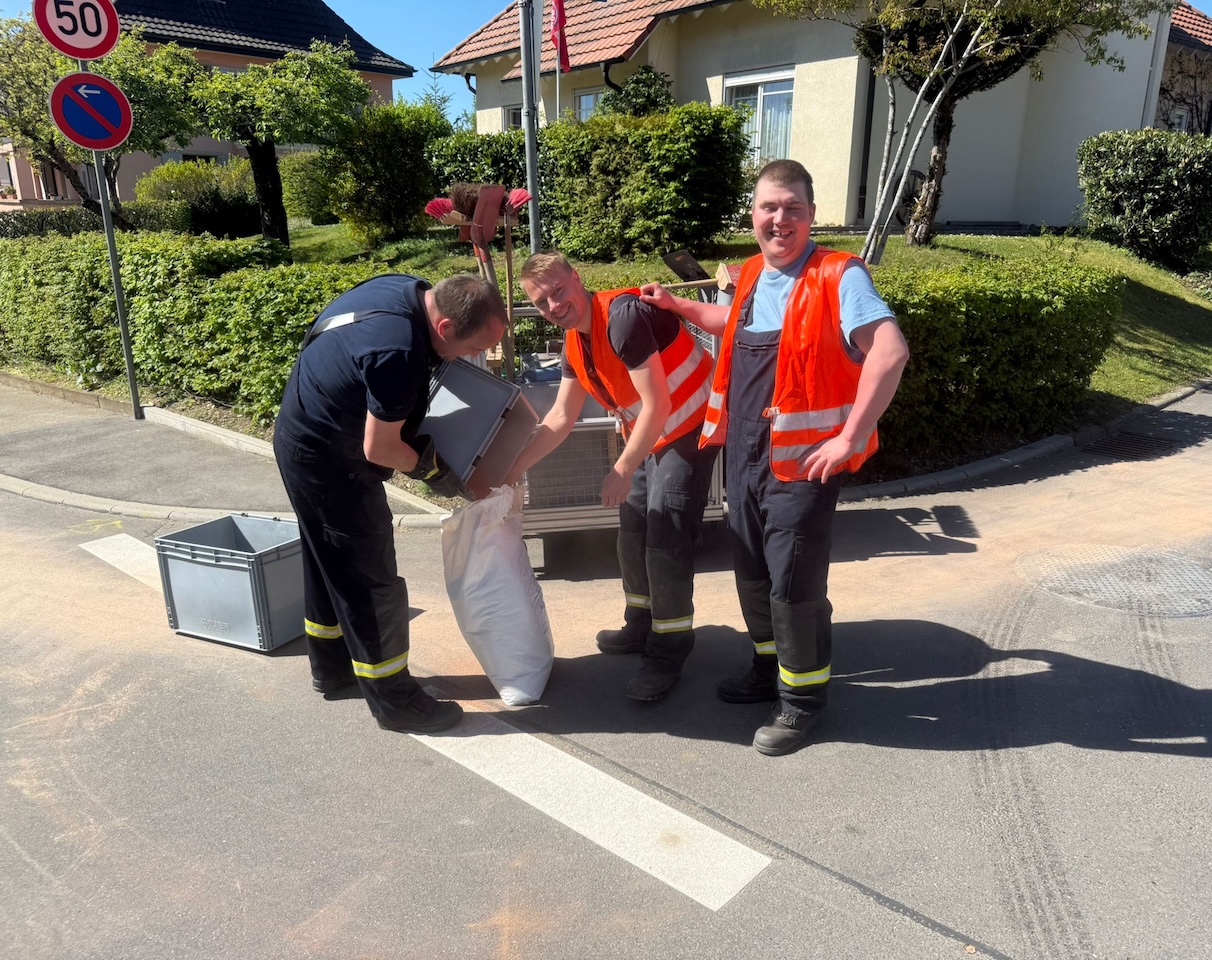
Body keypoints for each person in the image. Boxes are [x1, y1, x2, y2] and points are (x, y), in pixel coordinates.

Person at [639, 159, 910, 755]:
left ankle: (801, 701)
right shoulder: (754, 276)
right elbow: (731, 325)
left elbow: (889, 352)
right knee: (753, 571)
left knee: (793, 581)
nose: (779, 218)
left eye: (793, 208)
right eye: (769, 207)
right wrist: (679, 306)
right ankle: (768, 669)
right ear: (753, 214)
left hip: (804, 462)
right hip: (745, 454)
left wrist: (849, 437)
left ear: (811, 215)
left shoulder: (839, 275)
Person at [274, 272, 507, 735]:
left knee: (329, 562)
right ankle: (396, 701)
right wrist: (433, 470)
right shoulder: (398, 352)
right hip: (331, 459)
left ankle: (334, 668)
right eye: (470, 349)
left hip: (301, 439)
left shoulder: (406, 290)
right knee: (370, 578)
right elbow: (380, 449)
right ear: (445, 326)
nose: (469, 358)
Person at [507, 252, 719, 702]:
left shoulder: (622, 319)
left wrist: (621, 469)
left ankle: (668, 651)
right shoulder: (574, 342)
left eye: (558, 291)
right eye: (541, 302)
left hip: (691, 425)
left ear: (576, 278)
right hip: (653, 435)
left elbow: (658, 404)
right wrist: (512, 471)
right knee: (633, 528)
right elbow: (560, 417)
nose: (553, 305)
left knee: (665, 536)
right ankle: (640, 624)